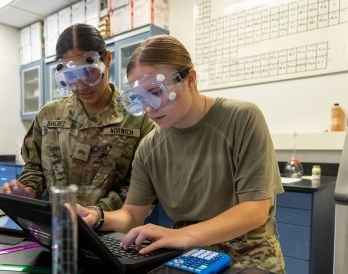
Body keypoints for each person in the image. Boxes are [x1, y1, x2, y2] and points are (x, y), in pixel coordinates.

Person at [77, 35, 286, 273]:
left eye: (155, 92)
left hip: (249, 250)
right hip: (188, 254)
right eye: (140, 99)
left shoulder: (241, 118)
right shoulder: (149, 148)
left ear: (190, 79)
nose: (149, 109)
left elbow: (254, 211)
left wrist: (182, 235)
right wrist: (96, 216)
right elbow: (132, 215)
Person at [0, 23, 155, 211]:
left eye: (89, 72)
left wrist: (96, 214)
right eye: (70, 77)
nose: (81, 87)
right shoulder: (49, 116)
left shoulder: (137, 118)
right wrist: (28, 190)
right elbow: (34, 168)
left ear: (107, 59)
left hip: (112, 232)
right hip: (57, 227)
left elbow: (140, 187)